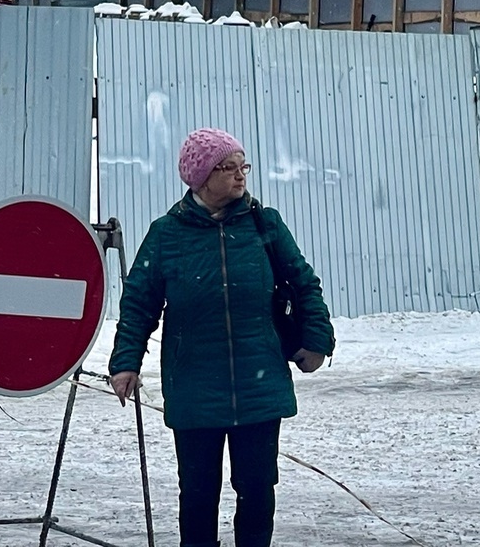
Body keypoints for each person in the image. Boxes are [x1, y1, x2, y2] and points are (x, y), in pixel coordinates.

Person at [108, 127, 336, 547]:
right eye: (227, 167)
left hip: (259, 383)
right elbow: (139, 302)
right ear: (201, 177)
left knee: (257, 492)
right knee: (197, 496)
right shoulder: (167, 234)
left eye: (242, 166)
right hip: (195, 387)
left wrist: (318, 339)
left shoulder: (264, 224)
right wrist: (126, 362)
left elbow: (304, 283)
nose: (240, 175)